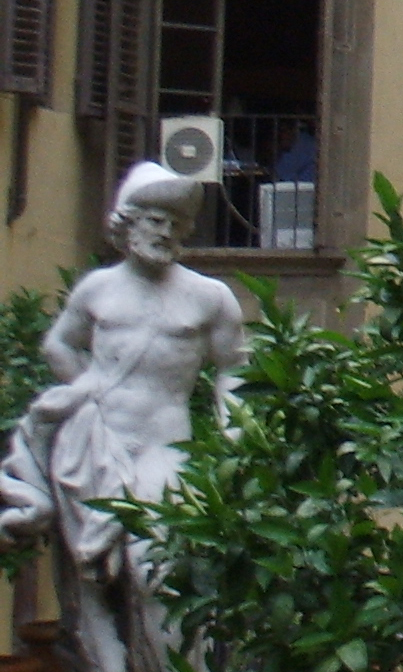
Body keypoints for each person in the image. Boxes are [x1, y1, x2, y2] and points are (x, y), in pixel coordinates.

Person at [0, 163, 246, 672]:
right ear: (127, 223)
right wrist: (86, 388)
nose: (165, 231)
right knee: (93, 582)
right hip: (97, 446)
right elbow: (59, 345)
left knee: (159, 569)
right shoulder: (98, 290)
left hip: (165, 448)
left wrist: (234, 427)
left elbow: (234, 369)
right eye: (155, 219)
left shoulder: (208, 297)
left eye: (175, 223)